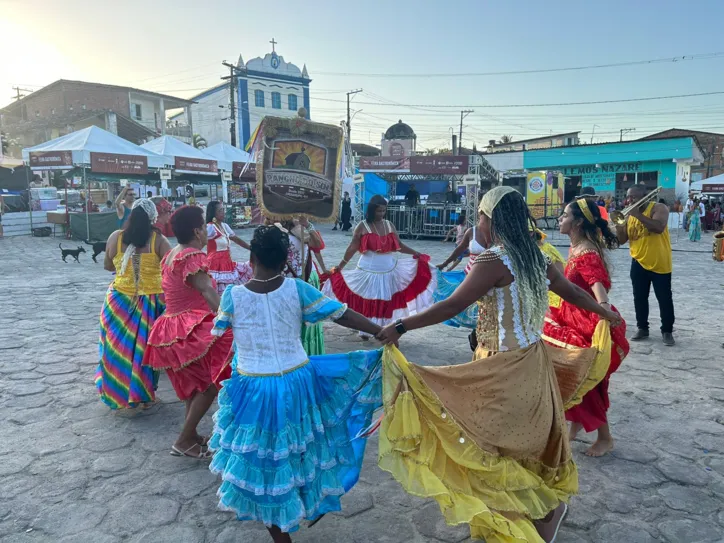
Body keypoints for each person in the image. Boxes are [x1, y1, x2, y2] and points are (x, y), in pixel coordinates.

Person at [376, 186, 620, 543]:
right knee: (517, 444)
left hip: (500, 367)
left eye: (480, 216)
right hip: (532, 364)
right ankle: (541, 513)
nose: (478, 223)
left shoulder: (495, 260)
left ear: (491, 219)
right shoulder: (535, 256)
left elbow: (452, 305)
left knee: (488, 445)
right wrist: (604, 313)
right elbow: (575, 293)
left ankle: (530, 516)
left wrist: (400, 325)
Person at [208, 225, 384, 543]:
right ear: (284, 258)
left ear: (252, 256)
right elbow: (342, 314)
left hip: (255, 390)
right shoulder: (298, 289)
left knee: (268, 461)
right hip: (298, 383)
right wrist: (380, 331)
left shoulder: (231, 296)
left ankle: (281, 530)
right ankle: (300, 508)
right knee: (299, 450)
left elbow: (223, 332)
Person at [143, 206, 233, 459]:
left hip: (170, 327)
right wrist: (227, 319)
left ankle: (191, 436)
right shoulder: (192, 255)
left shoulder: (172, 253)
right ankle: (183, 440)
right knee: (210, 383)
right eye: (204, 227)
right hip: (189, 327)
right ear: (197, 230)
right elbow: (206, 290)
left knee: (194, 385)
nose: (206, 231)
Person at [543, 199, 629, 457]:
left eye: (565, 215)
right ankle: (576, 424)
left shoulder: (586, 252)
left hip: (584, 324)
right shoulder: (576, 247)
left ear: (578, 222)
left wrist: (605, 310)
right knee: (569, 377)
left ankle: (605, 437)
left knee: (585, 380)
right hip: (570, 318)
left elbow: (597, 287)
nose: (560, 219)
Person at [324, 195, 437, 339]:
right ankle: (365, 329)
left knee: (385, 301)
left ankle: (383, 328)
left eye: (384, 211)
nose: (381, 214)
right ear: (372, 210)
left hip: (388, 269)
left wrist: (416, 253)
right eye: (379, 211)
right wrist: (340, 265)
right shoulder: (362, 226)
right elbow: (352, 247)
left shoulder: (389, 225)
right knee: (369, 300)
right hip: (367, 269)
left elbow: (399, 246)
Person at [95, 199, 171, 409]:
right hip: (150, 304)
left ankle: (116, 391)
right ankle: (143, 394)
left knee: (116, 349)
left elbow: (107, 265)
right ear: (152, 218)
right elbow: (172, 268)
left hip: (118, 302)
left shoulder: (115, 237)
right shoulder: (159, 240)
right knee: (145, 350)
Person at [615, 184, 675, 346]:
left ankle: (667, 331)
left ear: (645, 196)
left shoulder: (659, 208)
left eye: (634, 197)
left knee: (664, 298)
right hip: (638, 262)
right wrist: (620, 226)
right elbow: (621, 241)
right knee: (639, 297)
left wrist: (638, 215)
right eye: (628, 197)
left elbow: (658, 227)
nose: (630, 200)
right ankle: (642, 328)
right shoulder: (629, 215)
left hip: (659, 262)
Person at [281, 217, 327, 355]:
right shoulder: (277, 231)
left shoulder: (299, 229)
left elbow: (316, 245)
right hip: (288, 280)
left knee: (309, 319)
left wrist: (307, 225)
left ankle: (307, 353)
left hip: (306, 277)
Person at [206, 200, 253, 295]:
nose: (223, 212)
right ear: (213, 213)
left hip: (227, 262)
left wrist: (251, 248)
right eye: (220, 210)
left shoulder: (224, 226)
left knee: (227, 289)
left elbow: (236, 239)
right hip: (215, 265)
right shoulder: (210, 227)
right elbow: (199, 241)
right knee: (219, 289)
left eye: (223, 210)